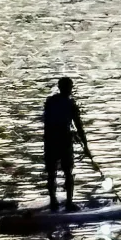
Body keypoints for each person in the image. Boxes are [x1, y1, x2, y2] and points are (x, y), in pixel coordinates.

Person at [43, 76, 92, 210]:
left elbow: (48, 123)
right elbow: (79, 126)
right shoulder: (70, 104)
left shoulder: (50, 101)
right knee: (67, 172)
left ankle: (54, 201)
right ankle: (68, 202)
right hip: (62, 141)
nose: (70, 90)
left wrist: (71, 133)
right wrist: (85, 145)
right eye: (70, 87)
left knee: (52, 172)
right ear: (67, 88)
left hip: (51, 140)